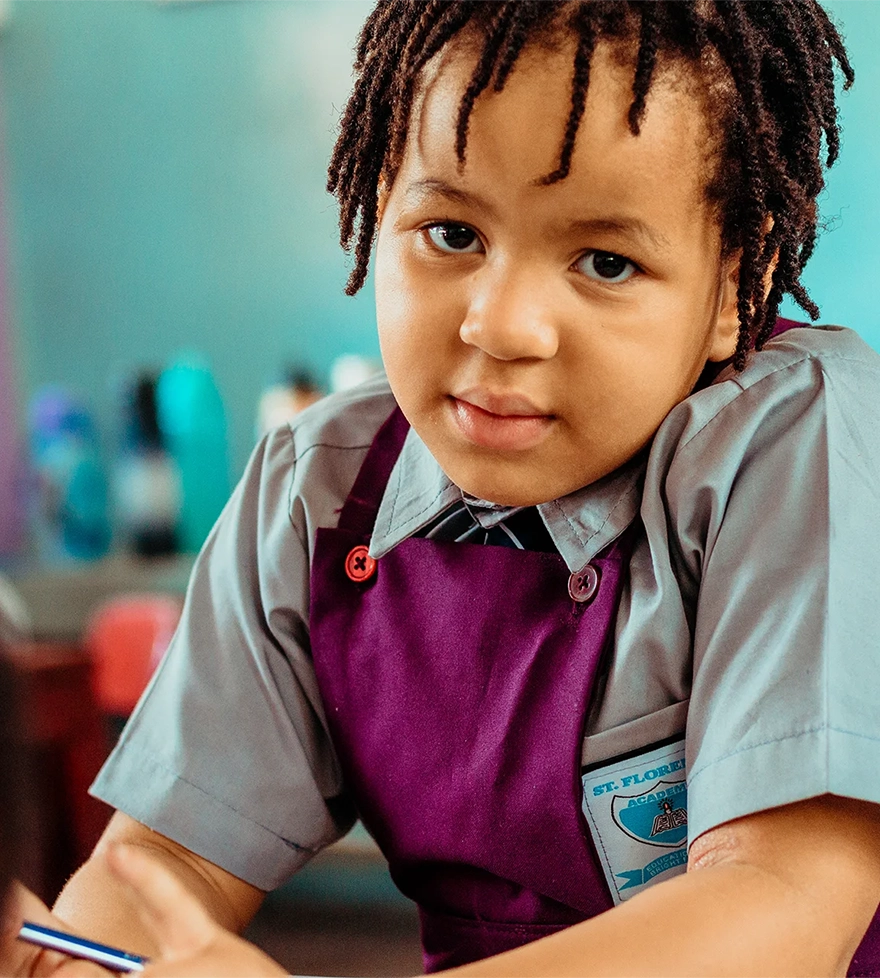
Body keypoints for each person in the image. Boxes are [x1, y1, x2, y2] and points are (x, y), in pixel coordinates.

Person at [6, 1, 880, 976]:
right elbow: (163, 869)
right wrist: (71, 961)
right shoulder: (315, 489)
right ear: (380, 208)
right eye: (452, 233)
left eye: (606, 262)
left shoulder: (802, 436)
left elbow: (784, 903)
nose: (500, 326)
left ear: (732, 287)